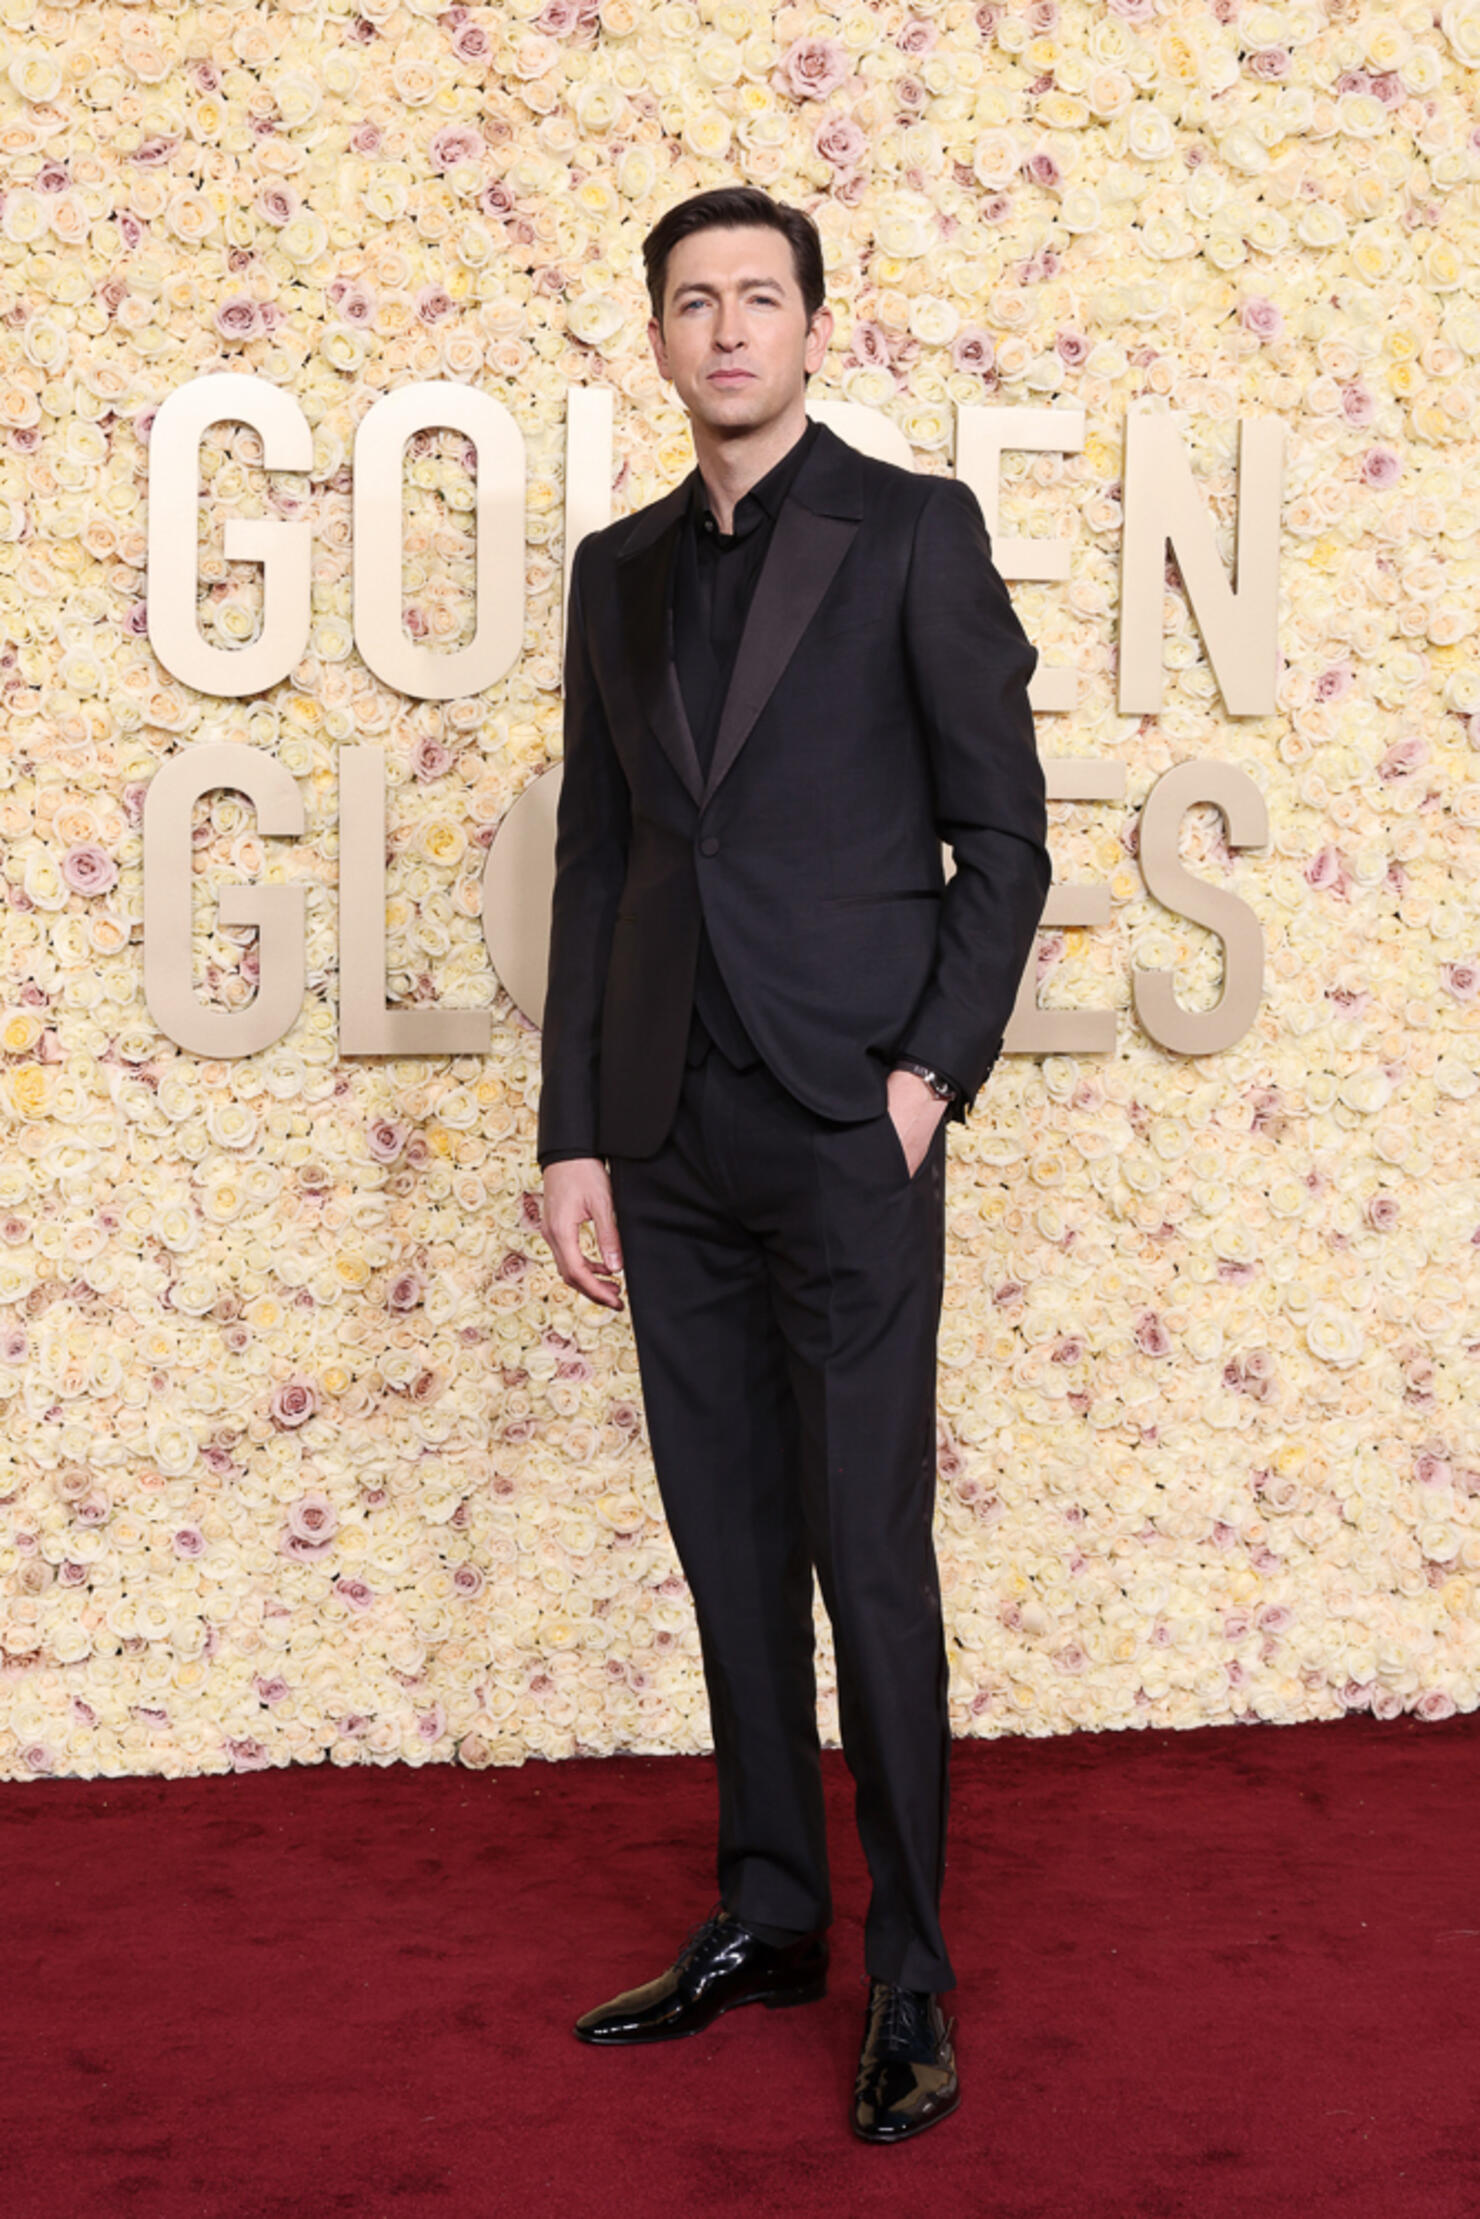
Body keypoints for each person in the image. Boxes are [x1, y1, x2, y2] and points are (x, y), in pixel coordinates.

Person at [537, 184, 1051, 2144]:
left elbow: (999, 838)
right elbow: (600, 861)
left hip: (850, 1122)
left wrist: (926, 1075)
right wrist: (573, 1131)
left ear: (810, 328)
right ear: (656, 342)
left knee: (868, 1558)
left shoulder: (911, 535)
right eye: (693, 302)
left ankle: (907, 1973)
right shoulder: (615, 574)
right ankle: (768, 1914)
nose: (727, 328)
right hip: (666, 1131)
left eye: (759, 297)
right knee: (727, 1543)